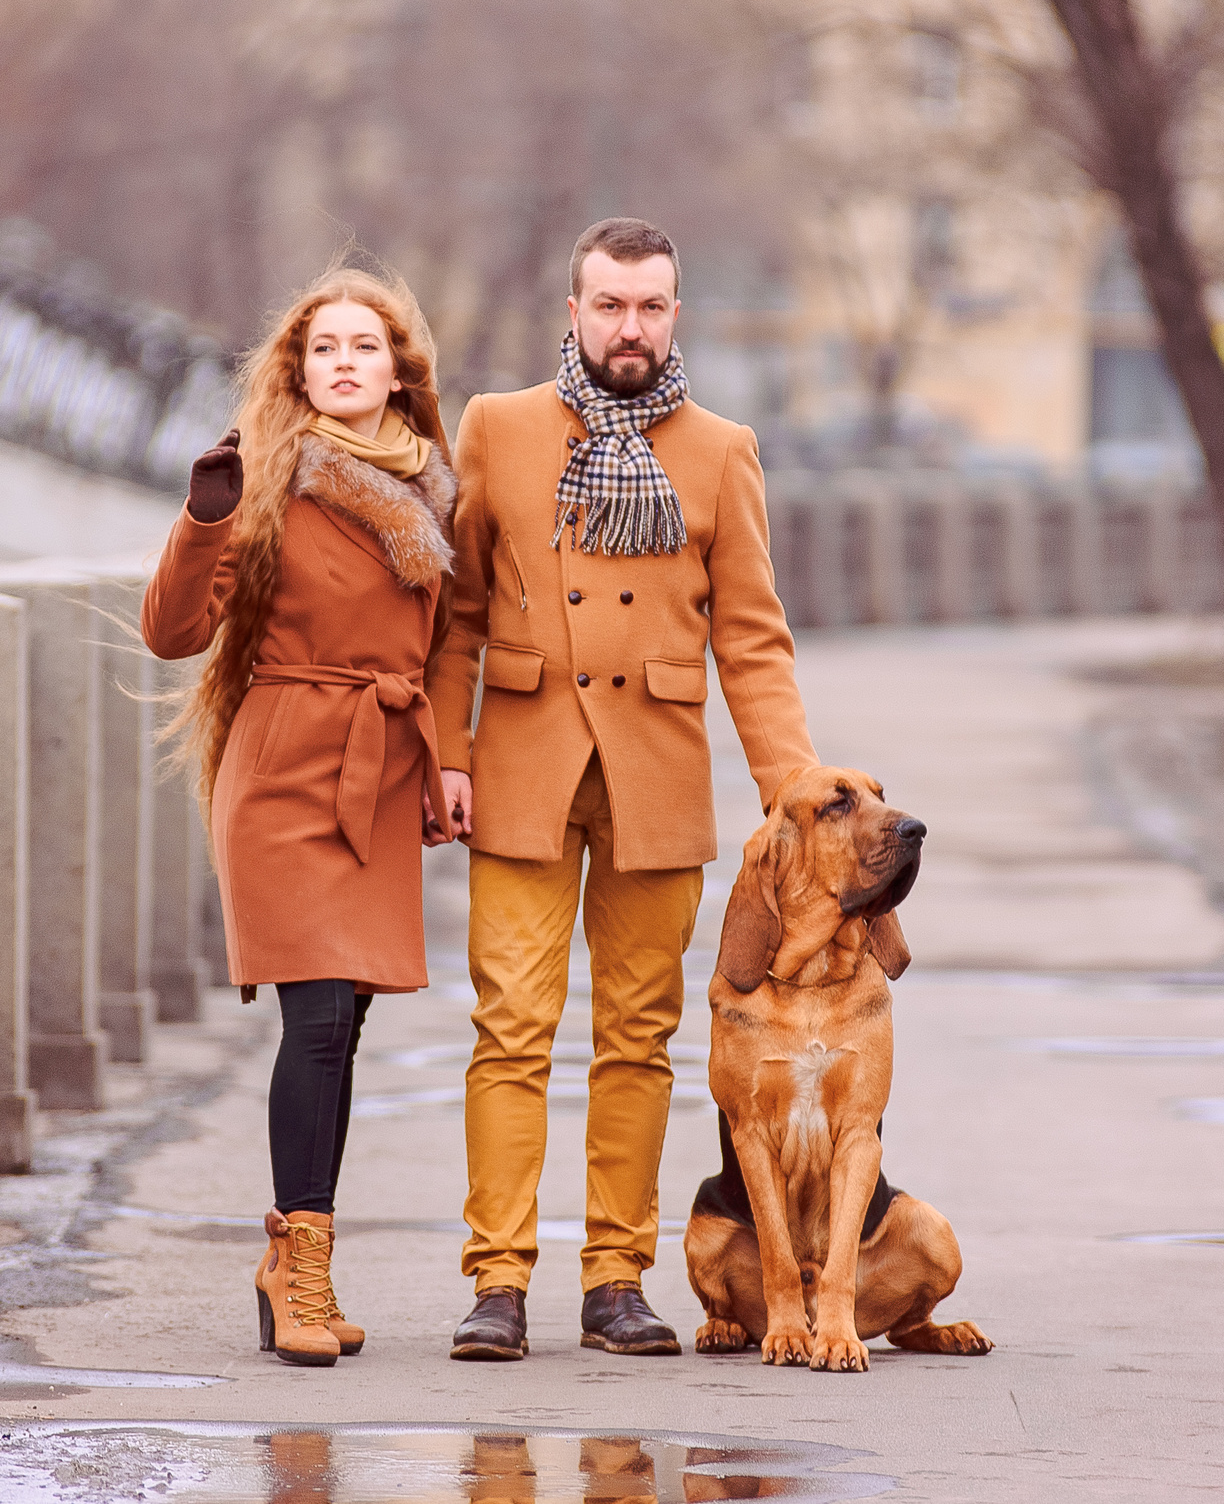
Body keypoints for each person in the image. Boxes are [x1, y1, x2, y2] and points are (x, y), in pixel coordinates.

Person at [426, 217, 818, 1361]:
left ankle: (615, 1278)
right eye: (608, 304)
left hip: (655, 772)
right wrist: (447, 752)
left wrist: (793, 797)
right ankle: (497, 1280)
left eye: (649, 306)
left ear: (675, 315)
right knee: (510, 1028)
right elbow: (450, 614)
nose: (628, 327)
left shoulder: (720, 447)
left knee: (638, 1036)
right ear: (574, 308)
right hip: (523, 763)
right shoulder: (498, 428)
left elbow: (752, 640)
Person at [142, 265, 464, 1368]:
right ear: (299, 371)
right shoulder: (266, 481)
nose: (341, 361)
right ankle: (306, 1272)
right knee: (318, 1018)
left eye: (362, 346)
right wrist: (203, 518)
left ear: (397, 370)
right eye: (321, 347)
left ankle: (293, 1260)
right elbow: (171, 631)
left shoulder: (434, 486)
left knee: (346, 1026)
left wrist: (444, 764)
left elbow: (445, 651)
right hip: (284, 766)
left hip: (376, 770)